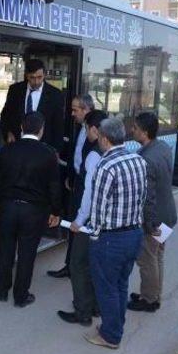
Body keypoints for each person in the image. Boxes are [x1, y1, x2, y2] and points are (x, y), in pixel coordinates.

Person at [83, 117, 147, 349]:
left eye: (99, 136)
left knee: (106, 287)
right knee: (121, 284)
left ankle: (110, 335)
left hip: (111, 239)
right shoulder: (138, 159)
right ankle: (116, 326)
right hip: (134, 234)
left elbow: (97, 209)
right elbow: (143, 198)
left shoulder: (105, 165)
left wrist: (94, 237)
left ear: (105, 139)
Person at [0, 112, 62, 307]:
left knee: (5, 249)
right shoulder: (48, 154)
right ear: (41, 130)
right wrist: (56, 212)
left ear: (21, 128)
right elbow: (54, 187)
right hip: (33, 211)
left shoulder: (7, 150)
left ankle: (2, 289)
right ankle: (21, 296)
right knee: (27, 254)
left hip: (7, 207)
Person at [57, 109, 108, 326]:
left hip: (90, 221)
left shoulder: (94, 155)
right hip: (106, 221)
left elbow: (90, 193)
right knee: (96, 264)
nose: (85, 132)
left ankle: (82, 312)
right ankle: (96, 306)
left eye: (86, 129)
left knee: (78, 263)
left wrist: (78, 220)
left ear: (95, 130)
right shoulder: (111, 151)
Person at [128, 111, 177, 313]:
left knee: (147, 258)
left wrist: (148, 225)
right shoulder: (163, 147)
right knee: (158, 256)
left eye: (136, 128)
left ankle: (148, 300)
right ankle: (153, 294)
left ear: (145, 132)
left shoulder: (146, 160)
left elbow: (147, 199)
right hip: (168, 216)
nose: (132, 130)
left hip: (155, 220)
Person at [48, 94, 95, 279]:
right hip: (76, 180)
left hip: (86, 185)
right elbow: (76, 154)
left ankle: (78, 268)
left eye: (75, 110)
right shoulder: (81, 127)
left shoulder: (96, 130)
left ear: (86, 110)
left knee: (80, 224)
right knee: (73, 224)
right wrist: (70, 175)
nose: (72, 113)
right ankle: (70, 265)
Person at [0, 59, 65, 154]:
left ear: (44, 75)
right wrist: (8, 133)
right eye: (32, 78)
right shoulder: (15, 90)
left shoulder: (55, 95)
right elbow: (5, 115)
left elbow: (58, 126)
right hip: (17, 146)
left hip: (43, 150)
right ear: (26, 75)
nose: (36, 81)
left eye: (39, 77)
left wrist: (56, 151)